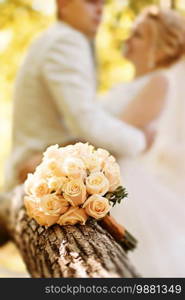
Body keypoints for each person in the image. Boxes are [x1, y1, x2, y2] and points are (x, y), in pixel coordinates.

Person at [3, 0, 147, 193]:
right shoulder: (66, 40)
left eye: (102, 4)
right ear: (63, 4)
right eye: (90, 2)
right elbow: (86, 121)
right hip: (39, 175)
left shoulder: (54, 38)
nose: (99, 10)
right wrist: (141, 141)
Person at [110, 6, 185, 277]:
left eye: (138, 35)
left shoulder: (159, 83)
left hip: (123, 183)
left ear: (160, 48)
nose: (128, 39)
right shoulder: (130, 84)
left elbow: (114, 133)